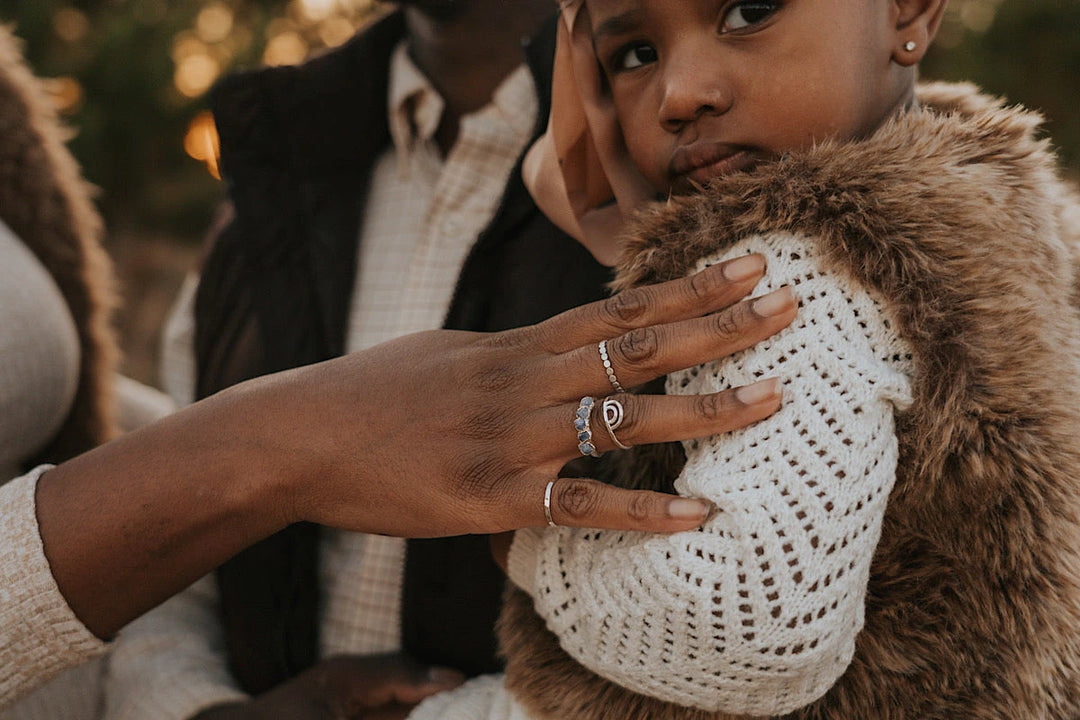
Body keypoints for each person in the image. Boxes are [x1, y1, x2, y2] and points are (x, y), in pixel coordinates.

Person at [0, 16, 799, 716]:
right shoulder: (270, 171)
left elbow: (785, 622)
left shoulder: (706, 161)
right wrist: (191, 709)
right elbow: (169, 541)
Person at [402, 0, 1080, 718]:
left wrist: (531, 547)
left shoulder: (792, 273)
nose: (681, 94)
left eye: (748, 11)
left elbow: (753, 623)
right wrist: (654, 235)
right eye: (634, 56)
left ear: (907, 9)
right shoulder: (985, 200)